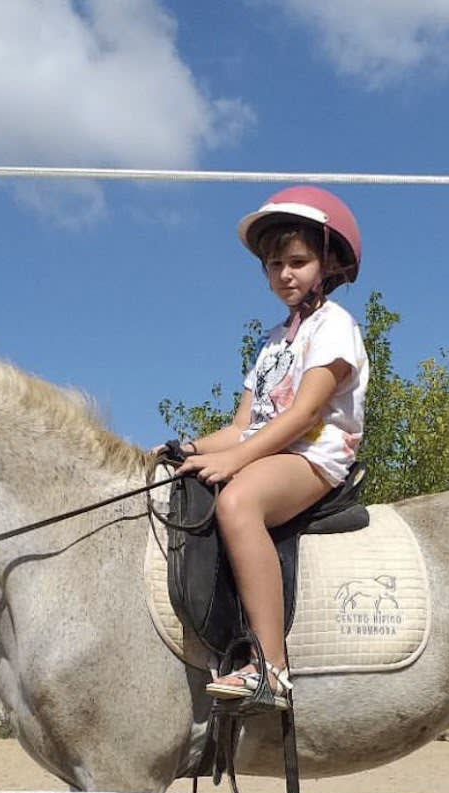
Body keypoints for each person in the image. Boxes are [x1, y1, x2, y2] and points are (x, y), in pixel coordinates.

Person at [173, 186, 370, 709]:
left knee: (238, 502)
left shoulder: (336, 328)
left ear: (329, 263)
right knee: (183, 484)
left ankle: (271, 669)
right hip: (270, 449)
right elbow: (244, 423)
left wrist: (235, 461)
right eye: (274, 264)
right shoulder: (272, 342)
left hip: (314, 455)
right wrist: (188, 447)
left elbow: (303, 415)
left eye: (298, 262)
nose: (285, 274)